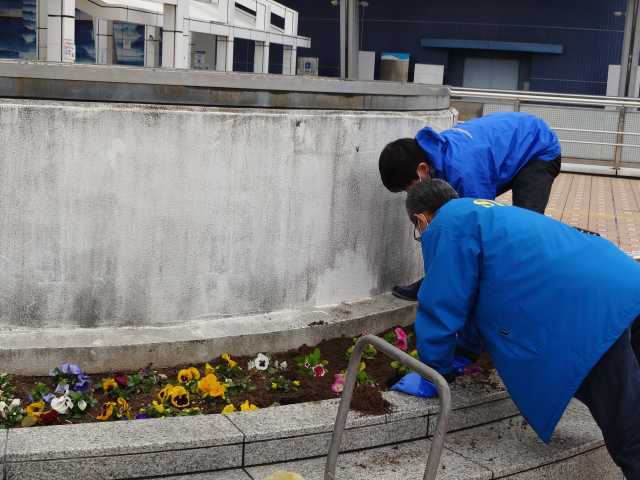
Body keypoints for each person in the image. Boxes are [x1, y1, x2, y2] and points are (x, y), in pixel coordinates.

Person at [405, 179, 640, 479]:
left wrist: (432, 369)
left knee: (628, 427)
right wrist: (465, 350)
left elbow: (443, 302)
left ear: (421, 219)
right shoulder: (487, 212)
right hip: (626, 282)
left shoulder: (448, 225)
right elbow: (480, 293)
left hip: (589, 312)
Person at [379, 112, 562, 301]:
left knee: (525, 228)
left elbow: (480, 227)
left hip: (538, 148)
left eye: (407, 188)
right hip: (509, 144)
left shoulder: (465, 174)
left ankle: (527, 293)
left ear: (422, 170)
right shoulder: (434, 153)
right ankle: (436, 281)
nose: (409, 194)